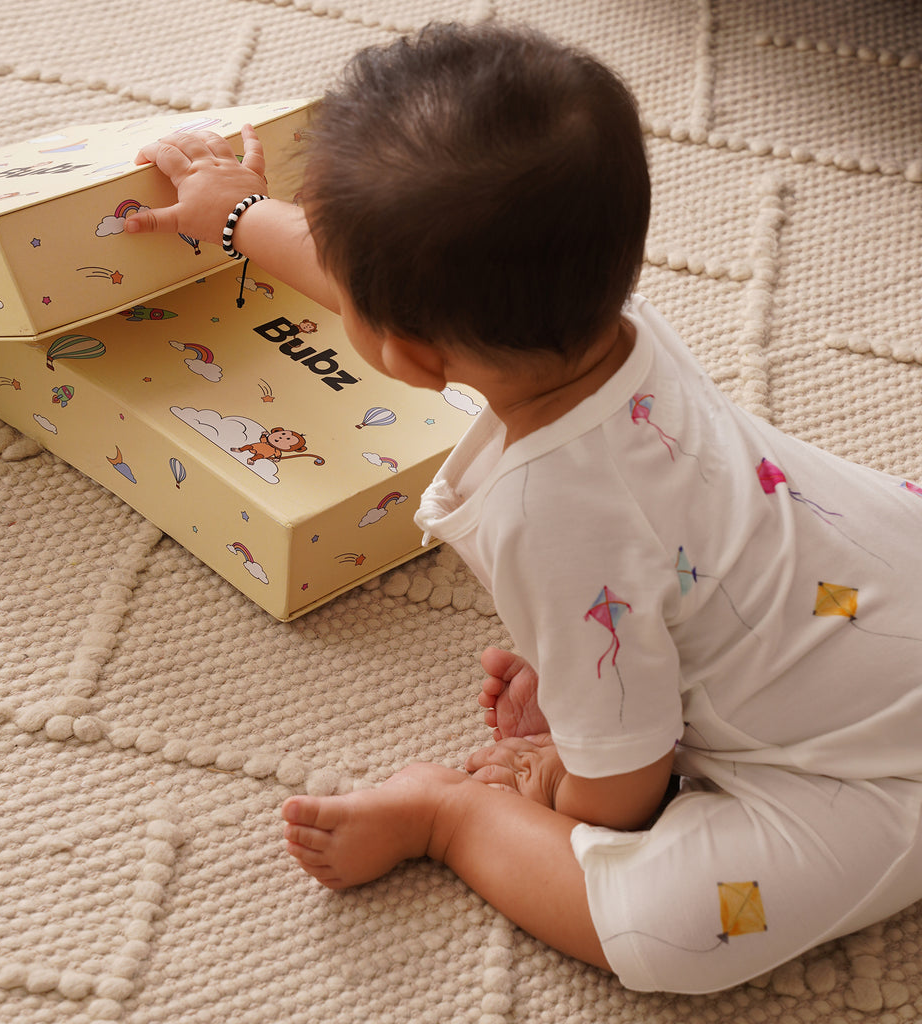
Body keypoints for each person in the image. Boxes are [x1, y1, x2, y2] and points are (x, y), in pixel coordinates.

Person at [127, 22, 922, 994]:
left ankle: (445, 817)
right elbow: (396, 294)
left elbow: (623, 793)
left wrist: (564, 775)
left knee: (678, 930)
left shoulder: (548, 512)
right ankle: (625, 675)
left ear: (410, 354)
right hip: (862, 579)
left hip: (867, 755)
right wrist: (238, 214)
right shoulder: (608, 325)